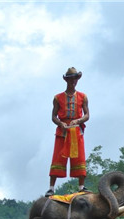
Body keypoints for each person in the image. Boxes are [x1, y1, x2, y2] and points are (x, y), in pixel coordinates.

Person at [47, 67, 89, 197]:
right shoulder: (57, 98)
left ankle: (81, 186)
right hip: (63, 131)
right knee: (57, 157)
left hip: (76, 130)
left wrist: (78, 120)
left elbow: (87, 115)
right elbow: (53, 116)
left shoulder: (83, 96)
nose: (73, 81)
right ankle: (51, 188)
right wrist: (61, 123)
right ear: (66, 80)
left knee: (79, 157)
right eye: (71, 79)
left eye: (75, 79)